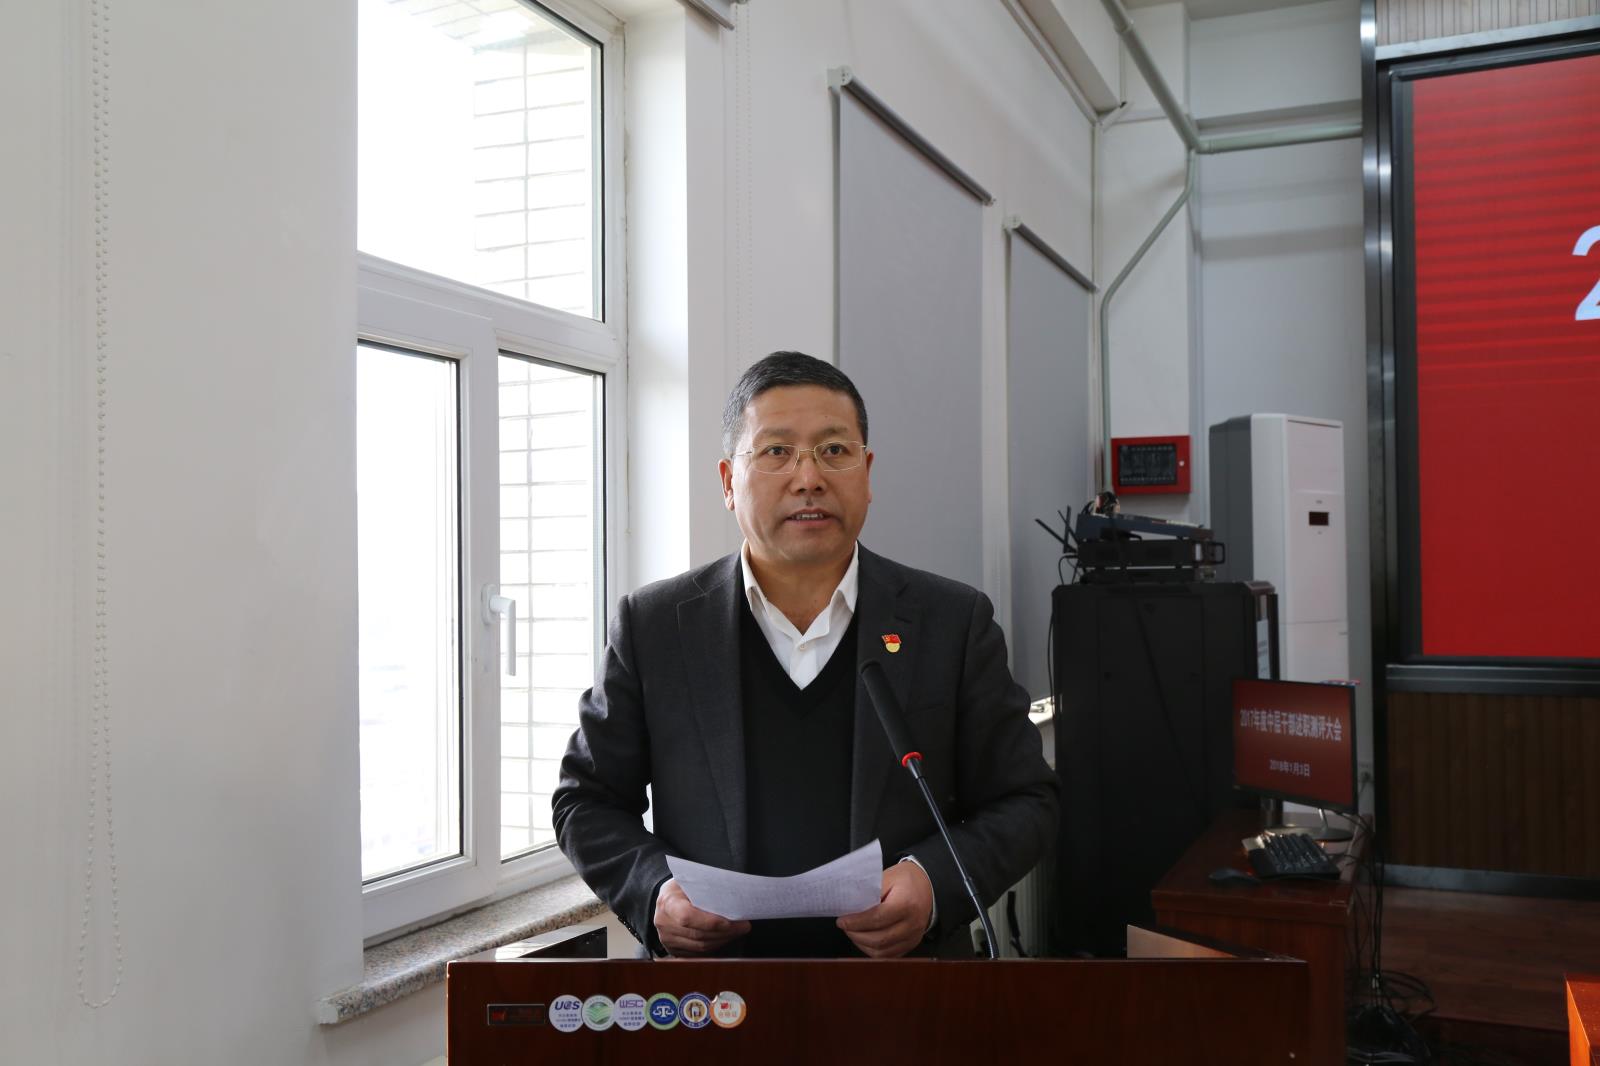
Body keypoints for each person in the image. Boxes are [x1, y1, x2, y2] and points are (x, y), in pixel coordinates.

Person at [552, 351, 1058, 958]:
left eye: (834, 450)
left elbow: (1026, 800)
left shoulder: (950, 621)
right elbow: (586, 800)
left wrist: (932, 883)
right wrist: (655, 890)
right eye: (776, 451)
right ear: (728, 482)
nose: (808, 477)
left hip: (905, 988)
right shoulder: (656, 625)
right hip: (713, 991)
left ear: (867, 472)